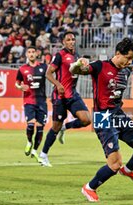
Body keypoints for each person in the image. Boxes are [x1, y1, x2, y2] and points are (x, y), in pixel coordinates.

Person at [70, 38, 133, 202]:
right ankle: (89, 188)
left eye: (132, 59)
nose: (129, 62)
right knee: (115, 164)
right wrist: (77, 64)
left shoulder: (126, 72)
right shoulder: (100, 66)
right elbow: (78, 70)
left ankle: (128, 169)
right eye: (128, 58)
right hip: (102, 117)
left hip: (118, 115)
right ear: (118, 53)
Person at [38, 31, 91, 167]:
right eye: (68, 40)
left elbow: (77, 72)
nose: (72, 41)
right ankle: (43, 154)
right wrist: (58, 84)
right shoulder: (59, 55)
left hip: (72, 95)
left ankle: (65, 127)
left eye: (73, 39)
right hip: (60, 96)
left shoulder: (76, 57)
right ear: (63, 42)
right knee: (55, 127)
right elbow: (48, 74)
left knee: (86, 120)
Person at [15, 46, 48, 161]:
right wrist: (20, 87)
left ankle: (34, 150)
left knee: (40, 128)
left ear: (36, 54)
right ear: (26, 55)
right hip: (29, 101)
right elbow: (17, 83)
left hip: (42, 102)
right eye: (29, 52)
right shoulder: (22, 69)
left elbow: (51, 76)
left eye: (33, 52)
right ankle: (29, 142)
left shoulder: (43, 67)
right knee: (30, 124)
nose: (31, 54)